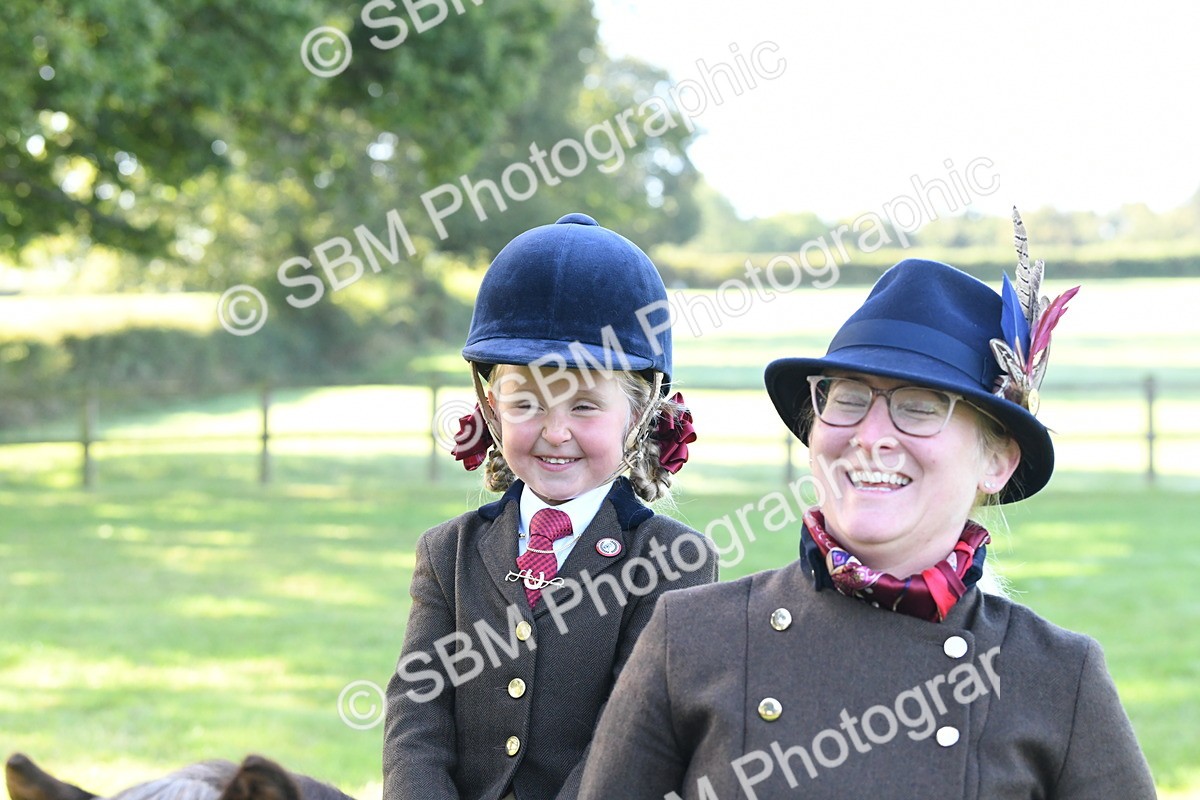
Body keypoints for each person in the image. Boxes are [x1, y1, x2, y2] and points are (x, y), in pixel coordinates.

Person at [577, 225, 1156, 798]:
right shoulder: (691, 637)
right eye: (848, 398)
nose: (871, 435)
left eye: (920, 407)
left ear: (997, 461)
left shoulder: (1057, 677)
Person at [382, 213, 718, 800]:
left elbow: (630, 737)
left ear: (636, 414)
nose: (555, 433)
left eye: (585, 407)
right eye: (526, 405)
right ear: (490, 407)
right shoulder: (447, 554)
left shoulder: (672, 559)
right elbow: (417, 717)